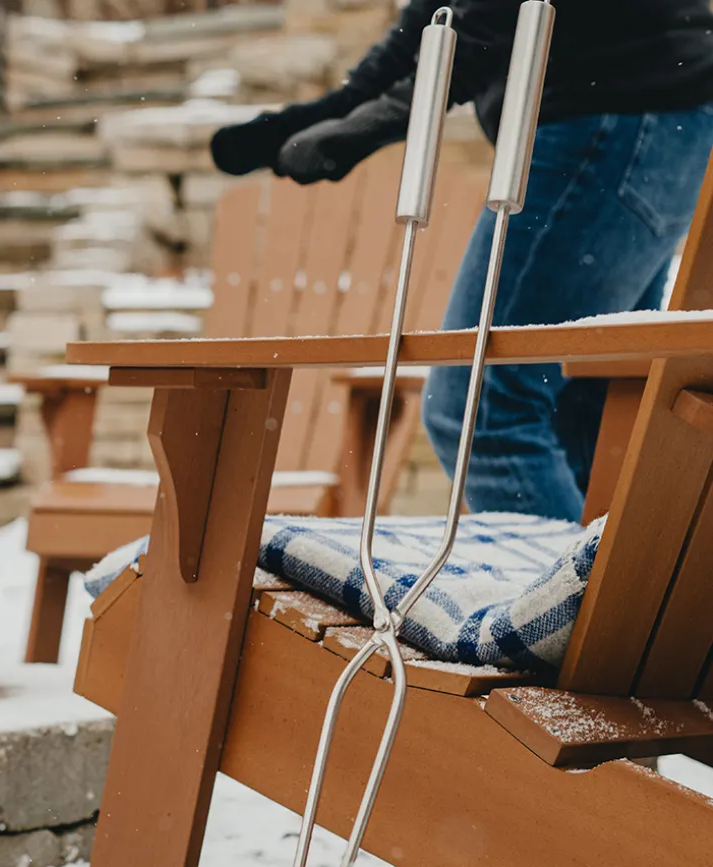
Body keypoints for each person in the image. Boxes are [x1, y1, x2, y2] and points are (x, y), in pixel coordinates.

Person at [210, 0, 713, 522]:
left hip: (608, 117)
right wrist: (337, 109)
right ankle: (615, 569)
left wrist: (376, 120)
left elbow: (491, 15)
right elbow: (441, 14)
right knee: (582, 416)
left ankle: (575, 580)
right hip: (653, 116)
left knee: (480, 410)